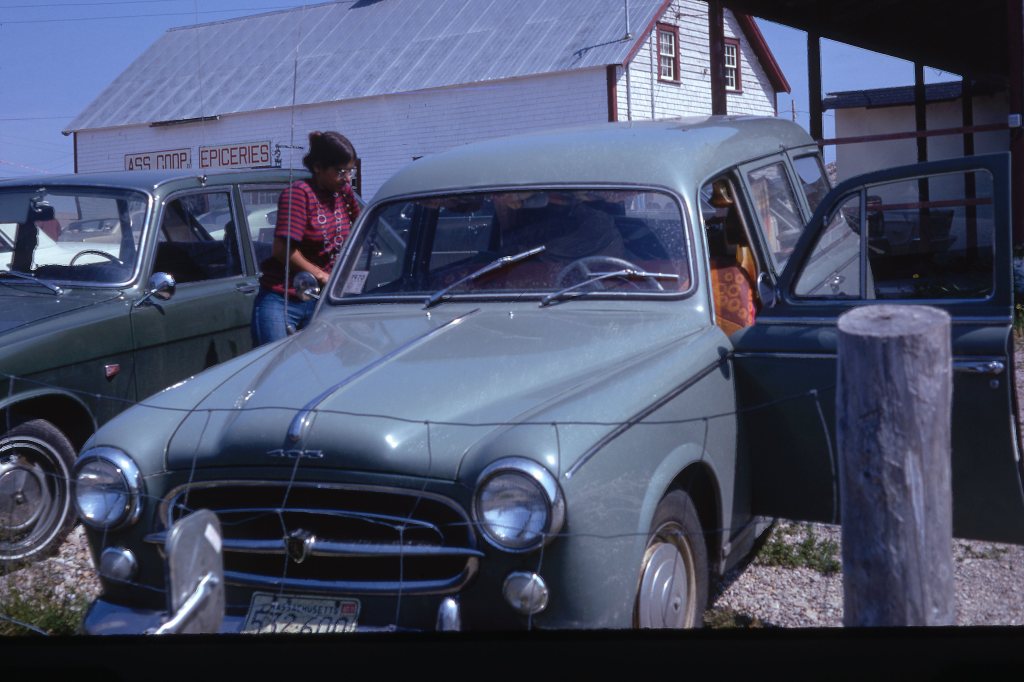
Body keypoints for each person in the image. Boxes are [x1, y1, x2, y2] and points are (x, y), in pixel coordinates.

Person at [251, 131, 360, 345]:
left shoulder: (344, 193)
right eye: (340, 172)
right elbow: (282, 250)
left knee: (325, 359)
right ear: (318, 167)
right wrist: (321, 275)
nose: (347, 178)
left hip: (322, 298)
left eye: (350, 171)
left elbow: (361, 231)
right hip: (283, 299)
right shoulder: (299, 194)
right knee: (276, 360)